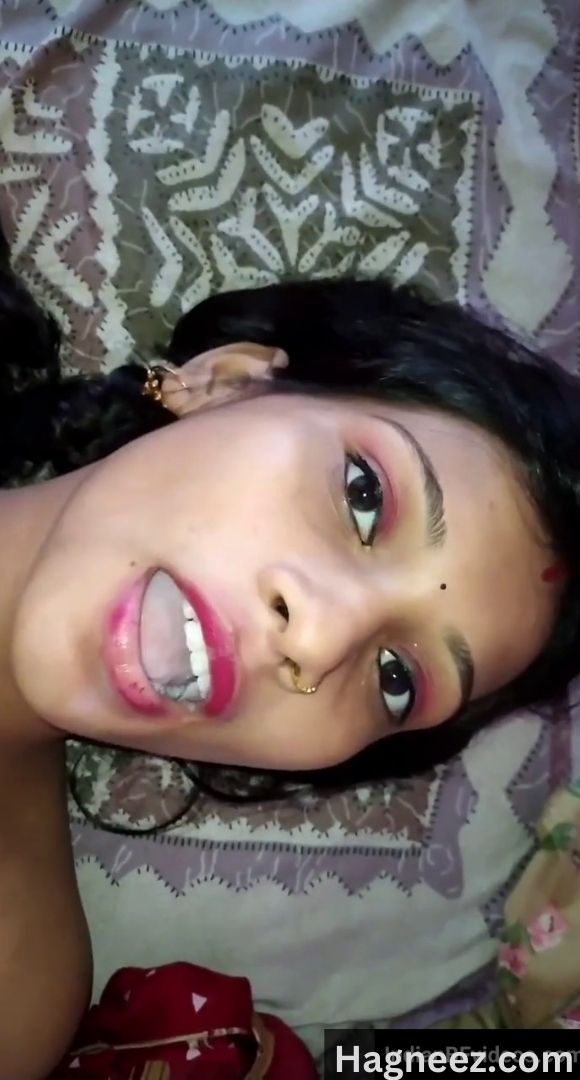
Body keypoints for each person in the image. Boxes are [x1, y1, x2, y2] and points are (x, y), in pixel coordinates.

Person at [1, 221, 580, 1075]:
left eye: (396, 679)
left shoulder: (20, 985)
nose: (322, 637)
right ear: (225, 381)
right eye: (363, 494)